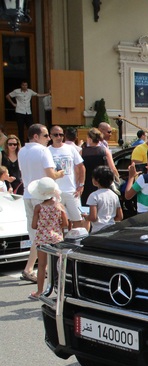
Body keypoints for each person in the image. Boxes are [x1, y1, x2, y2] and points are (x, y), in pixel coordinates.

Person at [18, 124, 65, 284]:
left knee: (36, 234)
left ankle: (30, 268)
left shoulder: (22, 150)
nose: (49, 139)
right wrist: (60, 173)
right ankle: (36, 268)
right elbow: (50, 175)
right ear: (36, 136)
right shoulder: (43, 150)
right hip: (42, 194)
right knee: (49, 232)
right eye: (46, 136)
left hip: (27, 193)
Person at [28, 177, 68, 300]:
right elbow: (65, 224)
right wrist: (55, 227)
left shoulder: (38, 207)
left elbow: (34, 226)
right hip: (56, 239)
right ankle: (61, 291)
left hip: (42, 239)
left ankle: (40, 291)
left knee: (41, 265)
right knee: (58, 266)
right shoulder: (59, 206)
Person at [48, 125, 86, 228]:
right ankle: (60, 242)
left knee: (77, 219)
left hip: (71, 190)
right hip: (54, 192)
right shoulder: (46, 151)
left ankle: (77, 241)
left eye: (61, 134)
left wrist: (81, 185)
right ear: (51, 136)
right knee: (58, 222)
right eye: (56, 135)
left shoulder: (70, 149)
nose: (59, 137)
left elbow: (81, 166)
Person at [81, 128, 119, 206]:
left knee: (88, 207)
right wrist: (117, 179)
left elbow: (78, 169)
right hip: (103, 183)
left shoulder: (82, 152)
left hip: (87, 183)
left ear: (89, 138)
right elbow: (113, 168)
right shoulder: (105, 151)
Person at [5, 81, 50, 145]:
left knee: (30, 127)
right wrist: (13, 104)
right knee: (20, 128)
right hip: (19, 111)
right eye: (23, 85)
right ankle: (21, 142)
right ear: (21, 85)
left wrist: (48, 94)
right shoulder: (16, 91)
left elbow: (38, 95)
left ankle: (29, 140)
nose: (25, 86)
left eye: (26, 85)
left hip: (28, 112)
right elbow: (8, 96)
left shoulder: (30, 91)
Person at [85, 166, 123, 232]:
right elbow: (120, 216)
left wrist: (86, 217)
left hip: (98, 230)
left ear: (96, 181)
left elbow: (93, 217)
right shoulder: (114, 195)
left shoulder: (93, 195)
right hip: (111, 229)